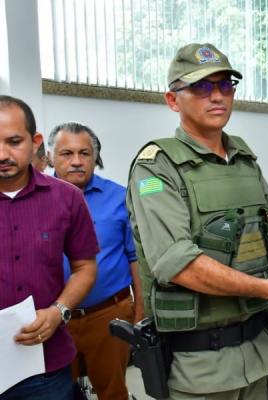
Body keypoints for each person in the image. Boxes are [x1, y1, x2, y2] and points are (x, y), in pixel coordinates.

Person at [126, 42, 268, 399]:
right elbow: (178, 263)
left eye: (225, 85)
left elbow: (267, 235)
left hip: (260, 353)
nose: (216, 96)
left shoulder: (244, 159)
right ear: (172, 100)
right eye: (200, 87)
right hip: (199, 367)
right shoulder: (155, 168)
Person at [0, 95, 98, 399]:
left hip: (44, 369)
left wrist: (58, 311)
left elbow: (85, 267)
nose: (2, 154)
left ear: (35, 141)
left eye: (14, 141)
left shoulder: (67, 198)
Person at [48, 122, 143, 400]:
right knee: (56, 393)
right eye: (67, 153)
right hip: (52, 320)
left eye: (85, 153)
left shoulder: (119, 197)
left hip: (108, 316)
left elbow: (135, 258)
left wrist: (140, 312)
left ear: (95, 158)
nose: (76, 161)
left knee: (113, 391)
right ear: (51, 156)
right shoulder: (35, 199)